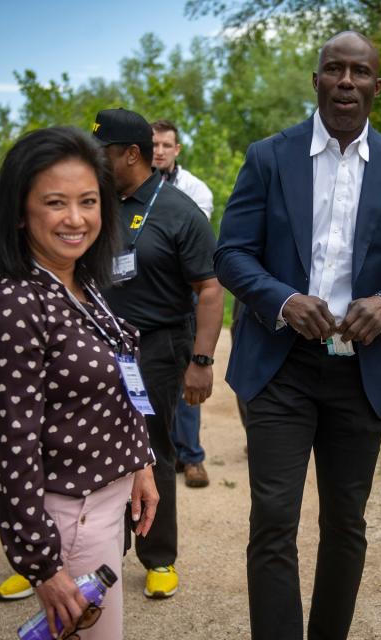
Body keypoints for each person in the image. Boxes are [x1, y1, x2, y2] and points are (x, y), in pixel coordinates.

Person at [216, 31, 381, 639]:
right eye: (334, 70)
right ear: (315, 80)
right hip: (279, 367)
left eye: (359, 72)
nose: (346, 81)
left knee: (346, 523)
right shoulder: (269, 157)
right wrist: (283, 301)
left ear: (376, 86)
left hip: (359, 371)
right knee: (274, 521)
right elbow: (231, 255)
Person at [0, 126, 159, 640]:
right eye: (55, 202)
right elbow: (16, 450)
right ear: (19, 212)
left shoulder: (81, 283)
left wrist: (139, 460)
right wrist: (43, 566)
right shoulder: (15, 307)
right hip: (70, 520)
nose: (76, 219)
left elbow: (121, 380)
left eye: (88, 201)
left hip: (107, 501)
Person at [98, 108, 222, 598]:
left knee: (150, 449)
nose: (95, 162)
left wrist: (201, 361)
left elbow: (210, 291)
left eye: (103, 152)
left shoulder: (178, 211)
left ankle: (158, 557)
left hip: (156, 346)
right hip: (98, 343)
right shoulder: (96, 203)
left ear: (132, 154)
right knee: (90, 445)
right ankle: (97, 552)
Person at [151, 118, 215, 488]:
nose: (159, 150)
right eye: (153, 144)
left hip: (185, 291)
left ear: (176, 150)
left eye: (165, 145)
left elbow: (189, 245)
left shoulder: (196, 190)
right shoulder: (124, 187)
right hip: (144, 292)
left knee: (187, 371)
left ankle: (191, 457)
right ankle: (153, 455)